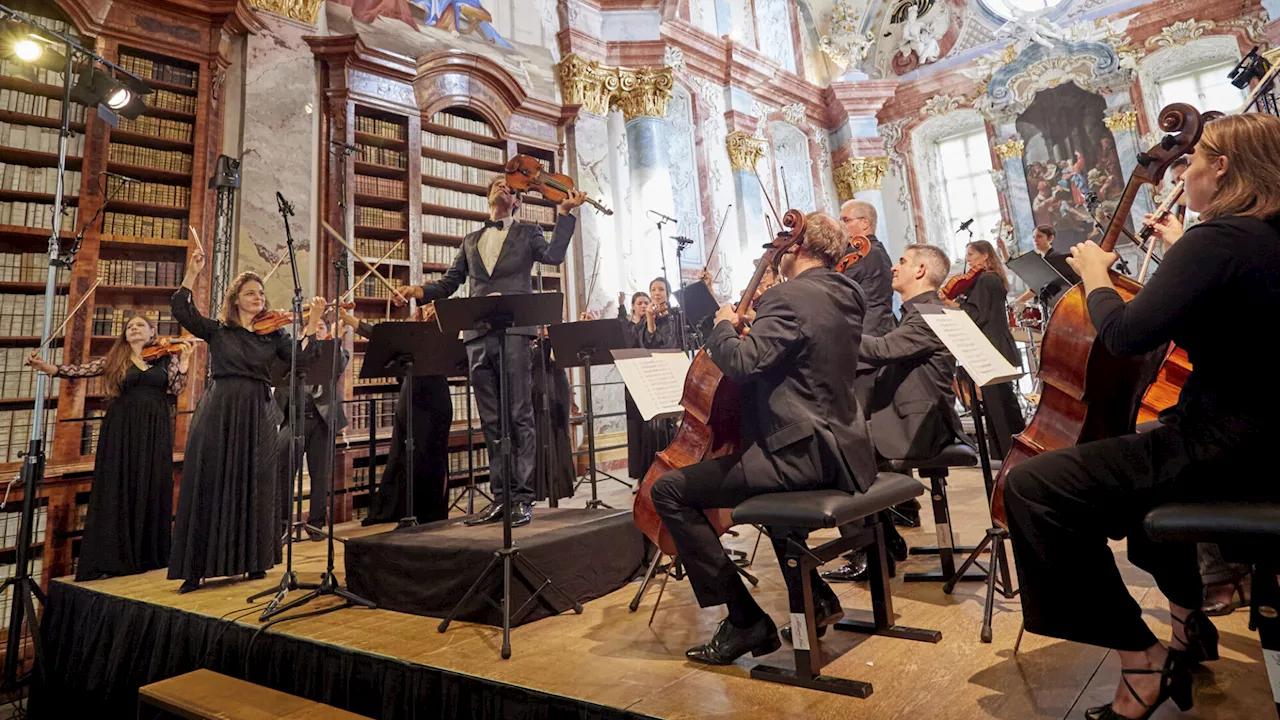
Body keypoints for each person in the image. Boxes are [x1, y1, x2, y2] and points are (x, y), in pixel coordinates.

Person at [1004, 113, 1280, 720]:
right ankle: (1188, 625)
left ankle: (1140, 656)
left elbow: (1127, 334)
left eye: (1193, 161)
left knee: (1032, 486)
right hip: (1264, 443)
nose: (1186, 172)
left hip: (1227, 449)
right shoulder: (1259, 236)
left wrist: (1096, 277)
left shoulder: (1222, 237)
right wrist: (1183, 249)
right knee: (1138, 472)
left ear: (1223, 167)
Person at [648, 212, 878, 665]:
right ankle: (817, 596)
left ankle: (743, 619)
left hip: (799, 456)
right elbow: (799, 356)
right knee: (759, 484)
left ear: (795, 249)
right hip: (844, 452)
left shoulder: (787, 297)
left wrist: (722, 324)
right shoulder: (845, 293)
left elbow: (741, 364)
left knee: (669, 490)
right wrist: (760, 327)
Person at [393, 177, 586, 528]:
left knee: (519, 415)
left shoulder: (528, 233)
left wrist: (565, 213)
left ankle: (523, 498)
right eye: (497, 184)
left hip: (514, 332)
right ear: (489, 198)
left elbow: (554, 256)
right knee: (492, 420)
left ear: (516, 202)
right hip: (477, 337)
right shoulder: (470, 240)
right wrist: (417, 290)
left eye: (509, 187)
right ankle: (501, 497)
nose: (503, 187)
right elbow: (449, 283)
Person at [168, 252, 324, 594]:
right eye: (251, 292)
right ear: (235, 298)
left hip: (258, 408)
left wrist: (313, 322)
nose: (259, 298)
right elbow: (182, 310)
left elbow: (303, 357)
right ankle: (196, 569)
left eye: (261, 294)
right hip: (221, 406)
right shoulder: (218, 330)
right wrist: (192, 273)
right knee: (211, 479)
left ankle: (254, 560)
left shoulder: (274, 336)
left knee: (258, 481)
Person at [823, 244, 966, 583]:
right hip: (915, 418)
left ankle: (870, 553)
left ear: (920, 271)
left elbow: (884, 349)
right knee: (851, 442)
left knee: (836, 453)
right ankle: (886, 543)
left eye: (902, 262)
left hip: (924, 426)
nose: (893, 268)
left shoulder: (930, 313)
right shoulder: (917, 313)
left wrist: (831, 328)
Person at [25, 315, 191, 581]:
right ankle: (116, 556)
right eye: (129, 327)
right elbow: (79, 371)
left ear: (152, 332)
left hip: (155, 429)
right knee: (120, 484)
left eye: (140, 325)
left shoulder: (165, 358)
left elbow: (177, 388)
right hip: (122, 428)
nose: (134, 329)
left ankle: (150, 555)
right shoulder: (114, 360)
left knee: (151, 483)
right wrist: (46, 367)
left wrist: (184, 363)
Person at [339, 305, 453, 525]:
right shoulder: (407, 334)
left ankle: (429, 511)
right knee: (404, 452)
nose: (426, 308)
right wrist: (349, 319)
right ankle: (401, 509)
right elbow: (382, 338)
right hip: (411, 396)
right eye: (424, 306)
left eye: (430, 306)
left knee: (430, 453)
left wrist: (352, 320)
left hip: (435, 400)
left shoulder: (440, 332)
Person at [946, 240, 1024, 458]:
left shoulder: (987, 280)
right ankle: (1015, 448)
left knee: (997, 406)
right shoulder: (992, 279)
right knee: (1003, 401)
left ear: (985, 256)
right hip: (997, 345)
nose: (968, 260)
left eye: (971, 255)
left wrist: (953, 305)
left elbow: (976, 315)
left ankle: (1004, 454)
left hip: (991, 347)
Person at [275, 313, 349, 540]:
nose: (317, 330)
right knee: (284, 473)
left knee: (320, 475)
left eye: (321, 327)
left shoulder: (335, 351)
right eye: (312, 326)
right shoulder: (293, 350)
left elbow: (339, 366)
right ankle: (281, 526)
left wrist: (333, 341)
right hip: (293, 418)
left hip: (321, 420)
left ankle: (316, 524)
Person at [839, 199, 896, 414]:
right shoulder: (879, 251)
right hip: (879, 338)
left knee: (859, 420)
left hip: (863, 349)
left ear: (864, 223)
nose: (842, 225)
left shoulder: (863, 255)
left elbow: (838, 293)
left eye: (846, 220)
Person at [1014, 224, 1081, 309]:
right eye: (1034, 237)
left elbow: (1039, 285)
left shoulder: (1054, 258)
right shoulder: (1043, 258)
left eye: (1039, 236)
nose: (1035, 240)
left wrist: (1019, 301)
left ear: (1050, 238)